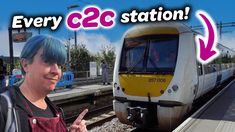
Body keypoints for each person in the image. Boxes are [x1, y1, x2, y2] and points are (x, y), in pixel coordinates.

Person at [0, 35, 88, 132]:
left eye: (59, 65)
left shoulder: (56, 110)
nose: (56, 71)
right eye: (48, 61)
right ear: (25, 65)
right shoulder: (4, 107)